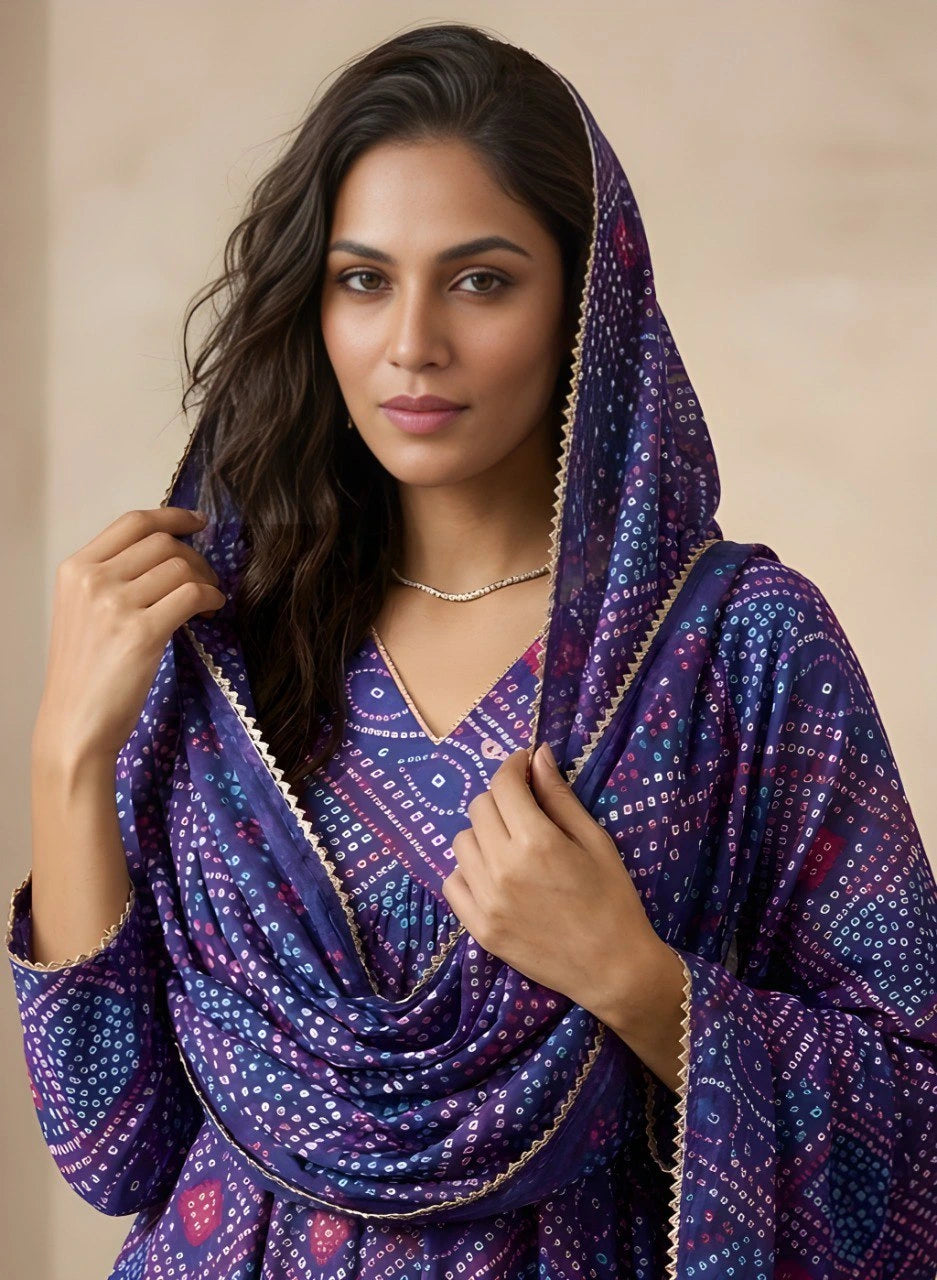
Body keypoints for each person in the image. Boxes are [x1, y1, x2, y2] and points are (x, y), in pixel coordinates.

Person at [7, 21, 937, 1280]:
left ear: (587, 302)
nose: (412, 344)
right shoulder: (217, 640)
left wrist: (641, 983)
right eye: (363, 278)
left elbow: (916, 1120)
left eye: (481, 279)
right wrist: (68, 752)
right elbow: (112, 1146)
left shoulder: (737, 651)